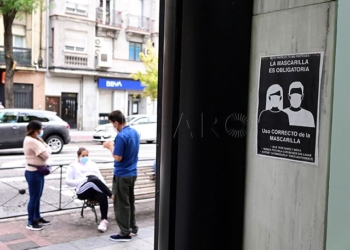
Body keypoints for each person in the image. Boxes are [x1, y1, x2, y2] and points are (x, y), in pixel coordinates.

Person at [103, 110, 140, 242]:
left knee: (121, 204)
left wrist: (109, 146)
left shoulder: (121, 135)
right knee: (130, 202)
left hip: (122, 174)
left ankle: (124, 233)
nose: (113, 126)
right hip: (132, 172)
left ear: (117, 122)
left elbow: (118, 157)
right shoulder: (134, 132)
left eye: (112, 123)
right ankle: (132, 227)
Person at [66, 147, 113, 232]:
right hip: (82, 190)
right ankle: (111, 195)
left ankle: (104, 221)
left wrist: (104, 186)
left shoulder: (92, 164)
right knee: (93, 180)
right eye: (83, 155)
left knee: (102, 195)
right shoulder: (73, 166)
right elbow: (68, 181)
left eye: (87, 155)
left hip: (94, 189)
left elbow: (100, 177)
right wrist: (82, 180)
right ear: (78, 156)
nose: (85, 157)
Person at [23, 120, 52, 231]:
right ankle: (30, 222)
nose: (42, 131)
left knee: (37, 197)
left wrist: (47, 148)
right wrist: (48, 149)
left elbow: (46, 149)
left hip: (38, 172)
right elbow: (46, 155)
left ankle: (37, 217)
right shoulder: (32, 141)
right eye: (41, 129)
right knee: (34, 197)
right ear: (36, 130)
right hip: (33, 172)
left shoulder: (35, 139)